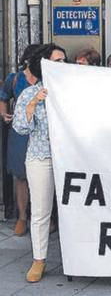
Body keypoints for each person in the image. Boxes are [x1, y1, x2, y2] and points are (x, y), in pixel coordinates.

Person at [12, 44, 66, 282]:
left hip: (70, 156)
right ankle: (39, 259)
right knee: (41, 211)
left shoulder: (74, 91)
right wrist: (34, 103)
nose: (62, 65)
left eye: (64, 61)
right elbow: (21, 127)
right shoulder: (29, 93)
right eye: (57, 61)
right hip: (41, 156)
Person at [1, 44, 41, 237]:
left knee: (43, 175)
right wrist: (4, 114)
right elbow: (4, 96)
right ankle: (22, 217)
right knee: (20, 175)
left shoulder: (46, 78)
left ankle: (43, 218)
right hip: (20, 132)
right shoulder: (15, 78)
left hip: (41, 132)